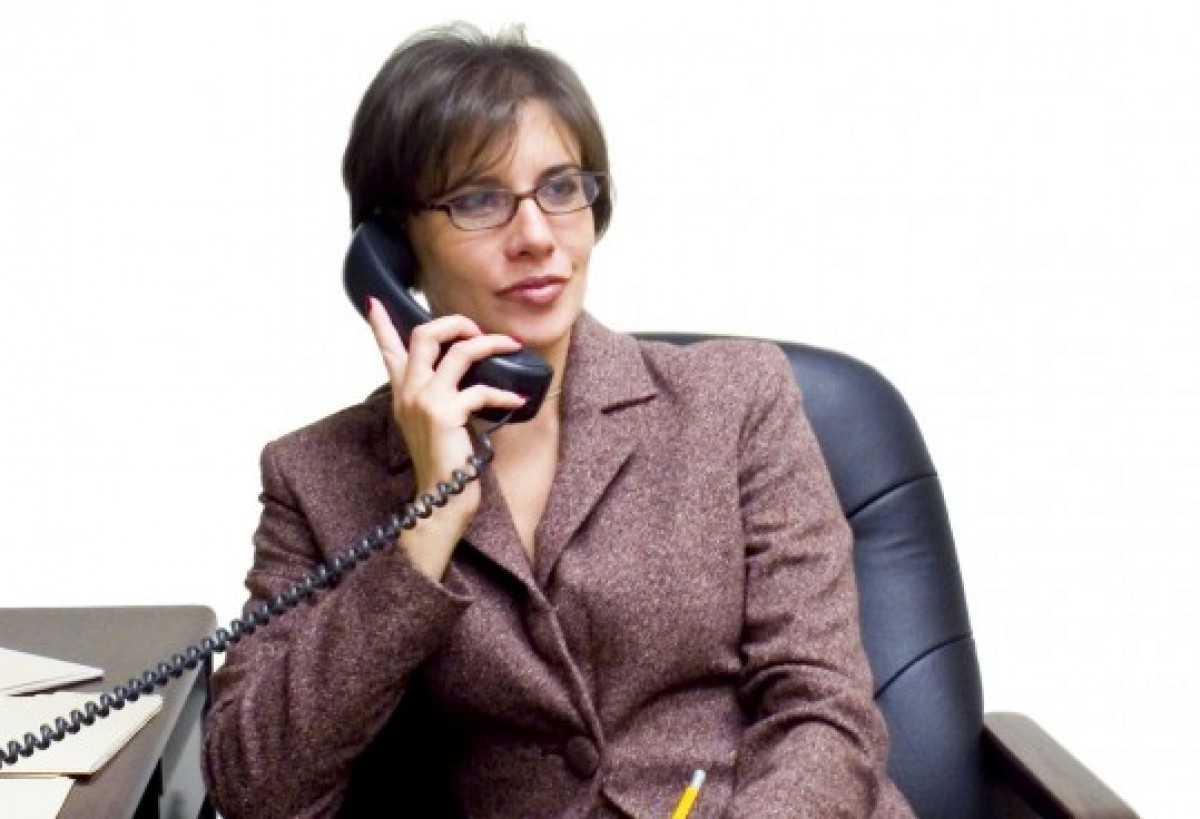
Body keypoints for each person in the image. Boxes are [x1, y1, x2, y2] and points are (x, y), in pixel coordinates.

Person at [200, 21, 916, 819]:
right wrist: (425, 527)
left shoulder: (735, 399)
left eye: (561, 188)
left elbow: (824, 711)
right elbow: (257, 789)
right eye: (478, 200)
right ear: (393, 250)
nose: (538, 237)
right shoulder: (316, 476)